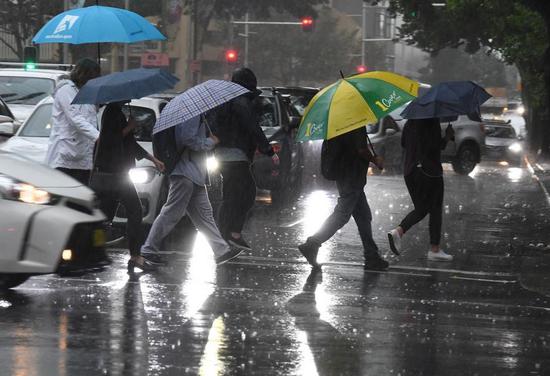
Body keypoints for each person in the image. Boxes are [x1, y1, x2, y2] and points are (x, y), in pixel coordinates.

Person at [140, 115, 242, 266]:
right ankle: (148, 249)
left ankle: (221, 251)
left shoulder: (199, 115)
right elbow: (188, 139)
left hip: (195, 174)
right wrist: (210, 142)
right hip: (185, 172)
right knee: (171, 213)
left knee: (204, 215)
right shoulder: (191, 116)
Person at [297, 126, 389, 271]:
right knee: (342, 215)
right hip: (351, 175)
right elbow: (361, 150)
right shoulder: (355, 122)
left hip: (345, 174)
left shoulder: (341, 123)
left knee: (363, 215)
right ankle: (312, 244)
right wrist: (375, 160)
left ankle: (371, 256)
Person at [93, 102, 165, 273]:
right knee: (135, 210)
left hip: (117, 173)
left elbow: (130, 144)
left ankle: (94, 251)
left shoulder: (117, 111)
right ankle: (134, 256)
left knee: (104, 217)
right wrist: (130, 127)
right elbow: (110, 139)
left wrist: (153, 159)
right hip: (114, 174)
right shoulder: (112, 111)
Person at [212, 67, 279, 251]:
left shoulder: (225, 100)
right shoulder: (240, 102)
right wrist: (268, 150)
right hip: (235, 156)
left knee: (235, 195)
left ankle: (229, 234)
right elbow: (252, 127)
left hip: (226, 155)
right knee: (243, 194)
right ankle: (228, 234)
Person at [387, 118, 454, 261]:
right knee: (435, 209)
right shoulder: (431, 121)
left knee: (422, 208)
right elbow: (435, 146)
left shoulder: (410, 122)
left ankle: (399, 231)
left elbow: (404, 143)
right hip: (429, 171)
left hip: (410, 171)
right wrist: (447, 137)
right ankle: (434, 249)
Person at [45, 58, 100, 184]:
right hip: (65, 158)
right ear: (84, 75)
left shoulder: (87, 93)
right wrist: (98, 137)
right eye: (93, 76)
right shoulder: (66, 90)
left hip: (83, 158)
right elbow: (76, 118)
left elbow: (90, 117)